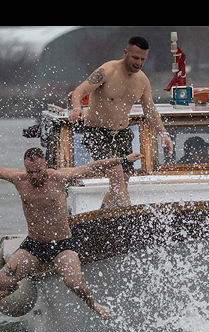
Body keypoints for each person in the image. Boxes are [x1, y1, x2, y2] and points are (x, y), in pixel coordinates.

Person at [0, 148, 144, 320]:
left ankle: (93, 304)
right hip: (34, 245)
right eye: (30, 172)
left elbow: (91, 167)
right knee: (3, 282)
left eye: (38, 171)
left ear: (46, 165)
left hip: (62, 244)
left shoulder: (59, 177)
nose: (34, 176)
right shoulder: (19, 179)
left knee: (73, 282)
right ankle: (11, 288)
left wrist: (123, 160)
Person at [69, 36, 174, 208]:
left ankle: (103, 215)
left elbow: (150, 111)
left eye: (143, 59)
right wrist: (76, 107)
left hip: (122, 134)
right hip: (97, 132)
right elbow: (79, 90)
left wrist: (163, 133)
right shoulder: (108, 71)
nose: (139, 63)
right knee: (116, 173)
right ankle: (130, 217)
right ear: (125, 53)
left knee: (124, 179)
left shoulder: (142, 81)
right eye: (135, 58)